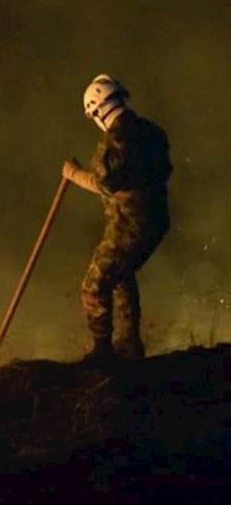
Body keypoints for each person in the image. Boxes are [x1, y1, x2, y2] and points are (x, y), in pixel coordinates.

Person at [62, 74, 171, 363]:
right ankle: (130, 344)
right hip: (156, 219)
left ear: (97, 110)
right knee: (121, 275)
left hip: (129, 226)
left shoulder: (116, 139)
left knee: (94, 285)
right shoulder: (151, 131)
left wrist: (73, 174)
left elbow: (104, 183)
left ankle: (102, 353)